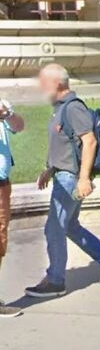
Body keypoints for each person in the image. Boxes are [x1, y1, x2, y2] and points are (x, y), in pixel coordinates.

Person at [26, 65, 100, 297]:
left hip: (71, 178)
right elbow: (64, 143)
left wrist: (83, 179)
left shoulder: (73, 108)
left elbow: (89, 142)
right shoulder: (60, 109)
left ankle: (55, 281)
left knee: (54, 228)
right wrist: (49, 169)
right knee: (69, 226)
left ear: (57, 83)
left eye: (44, 82)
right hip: (63, 175)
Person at [0, 98, 25, 317]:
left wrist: (7, 114)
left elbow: (19, 126)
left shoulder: (2, 105)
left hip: (2, 183)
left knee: (0, 239)